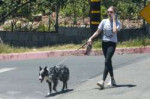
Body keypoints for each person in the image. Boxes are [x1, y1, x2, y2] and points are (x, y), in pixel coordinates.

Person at [87, 6, 122, 89]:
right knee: (108, 62)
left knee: (107, 61)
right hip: (104, 44)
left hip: (112, 44)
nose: (109, 13)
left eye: (111, 12)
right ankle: (112, 79)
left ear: (114, 13)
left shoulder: (118, 23)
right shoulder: (104, 21)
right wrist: (91, 38)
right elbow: (98, 31)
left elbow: (114, 31)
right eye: (108, 12)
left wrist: (113, 20)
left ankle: (102, 81)